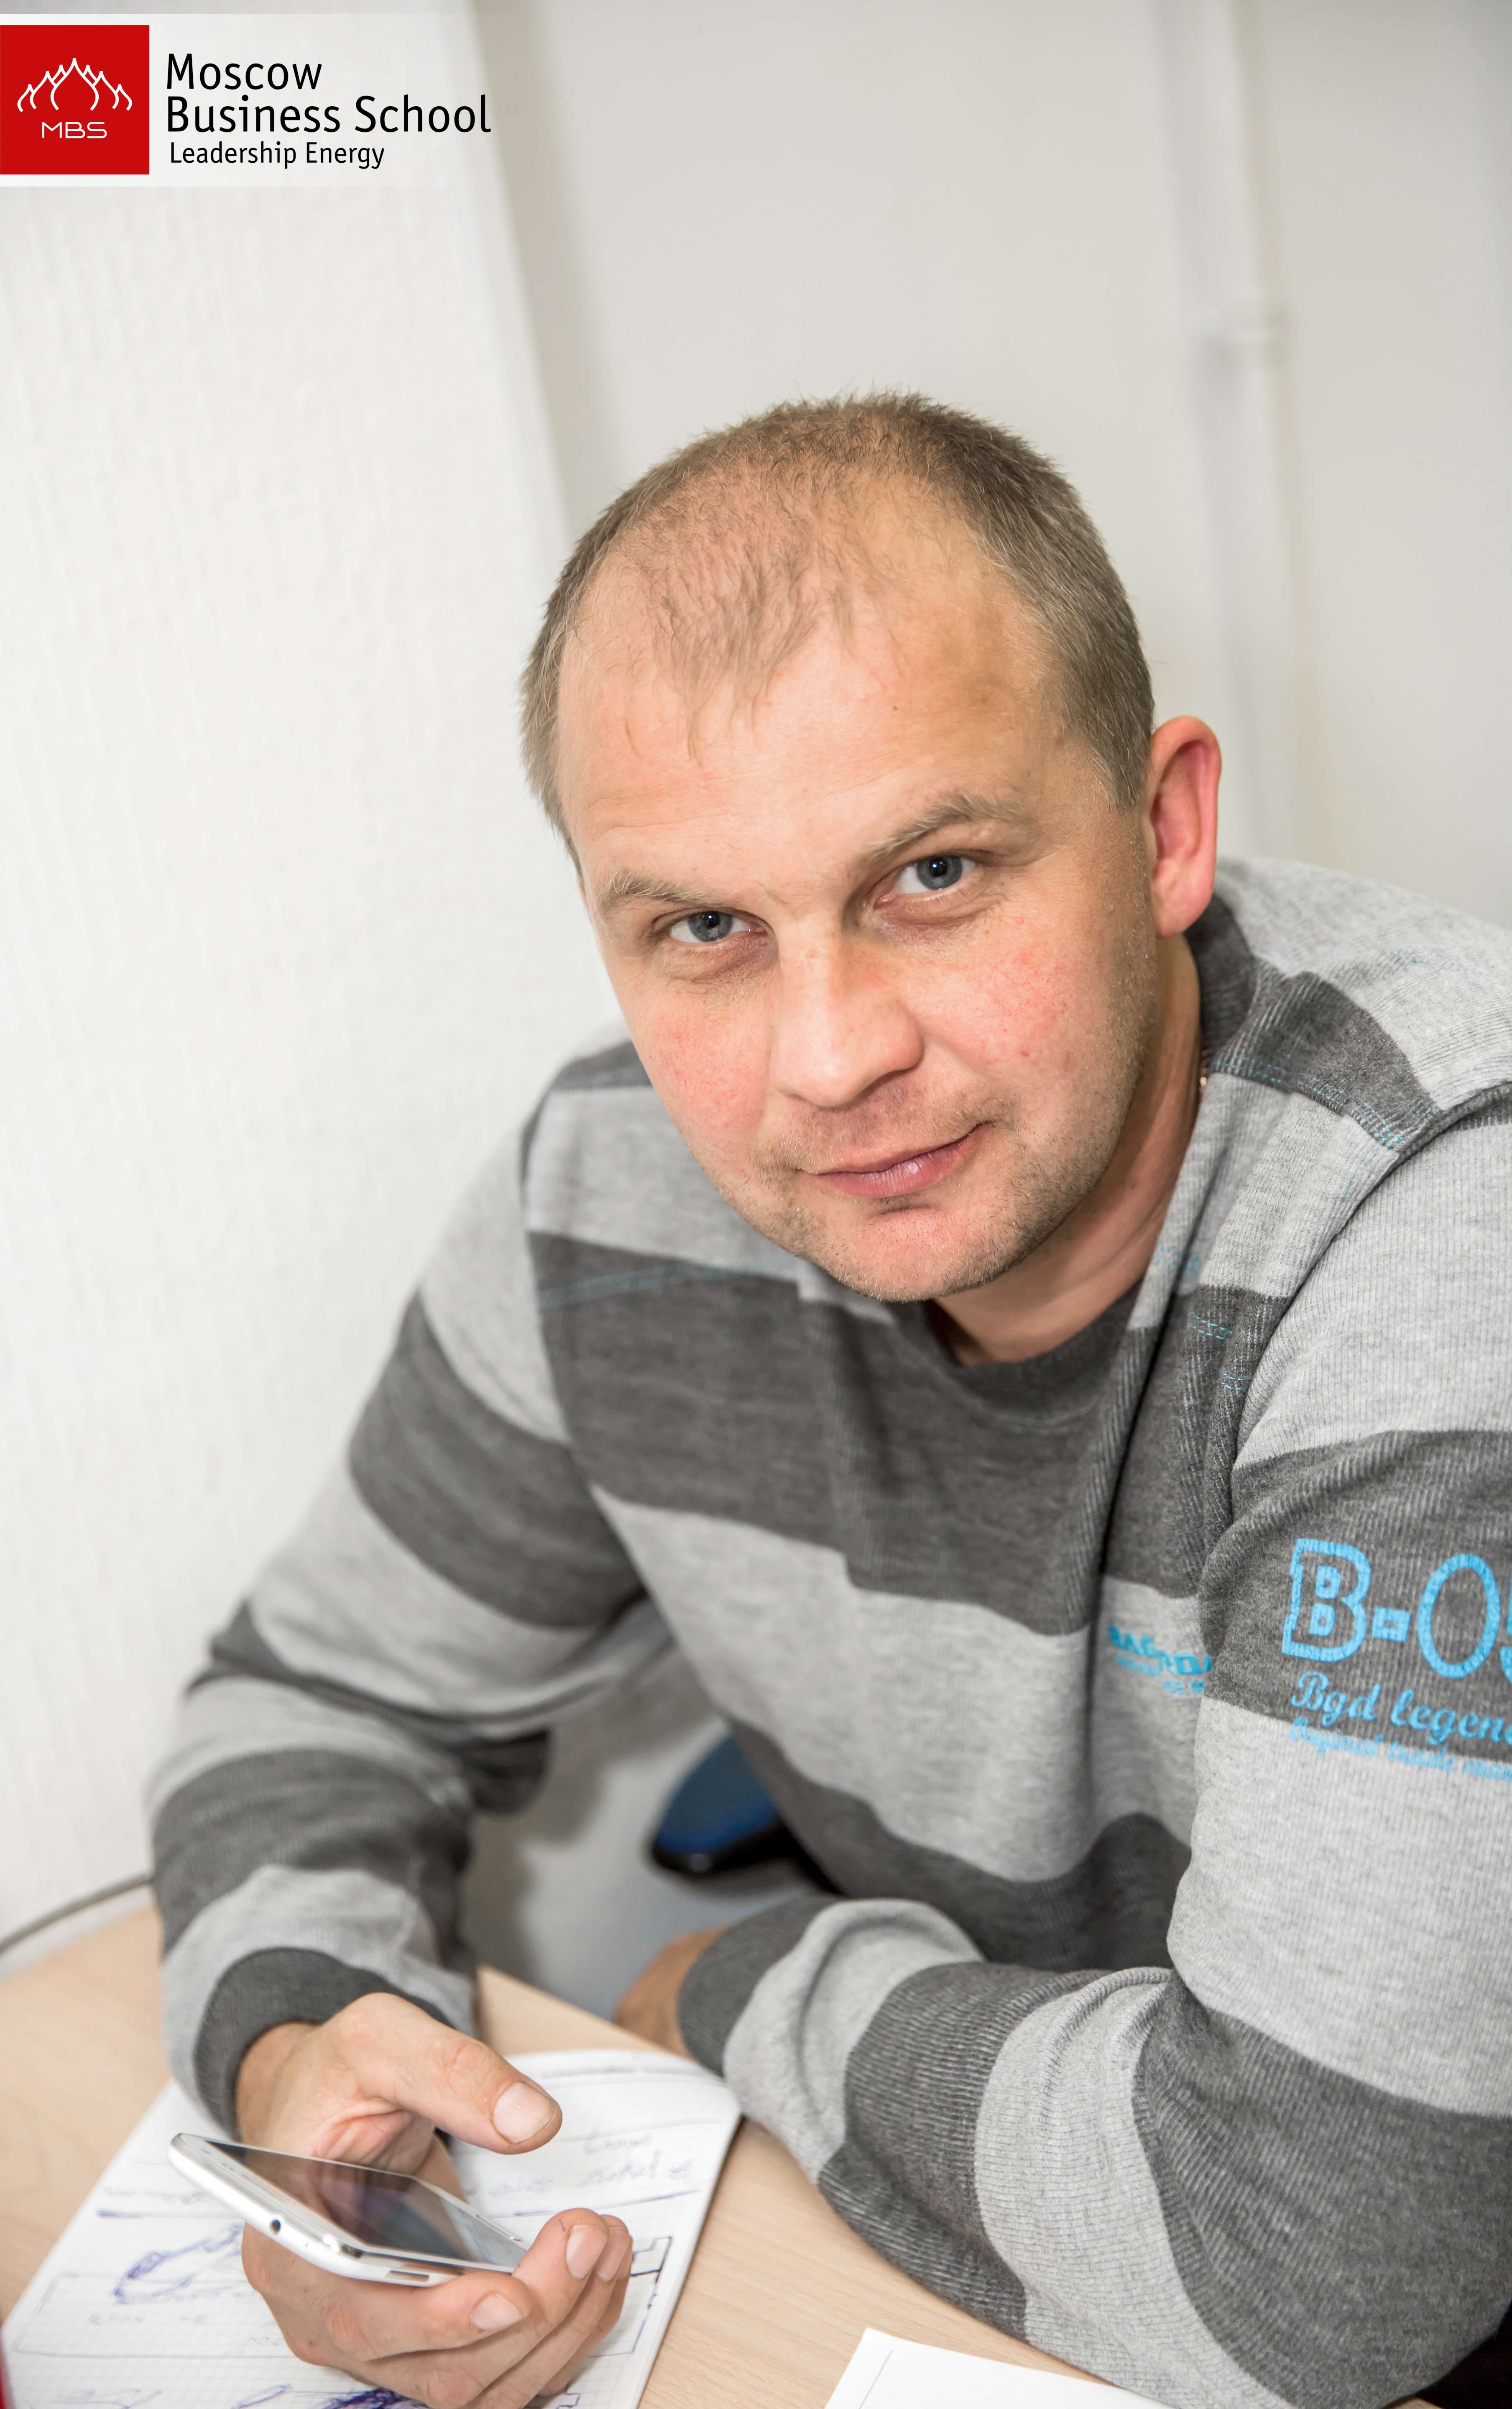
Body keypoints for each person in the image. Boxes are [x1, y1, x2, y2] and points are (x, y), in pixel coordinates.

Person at [150, 394, 1512, 2409]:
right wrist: (303, 2054)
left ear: (1163, 829)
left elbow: (1322, 2251)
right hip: (1032, 2210)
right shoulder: (606, 1201)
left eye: (932, 874)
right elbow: (315, 1700)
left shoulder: (1442, 1225)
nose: (825, 1059)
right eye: (702, 928)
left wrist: (750, 1982)